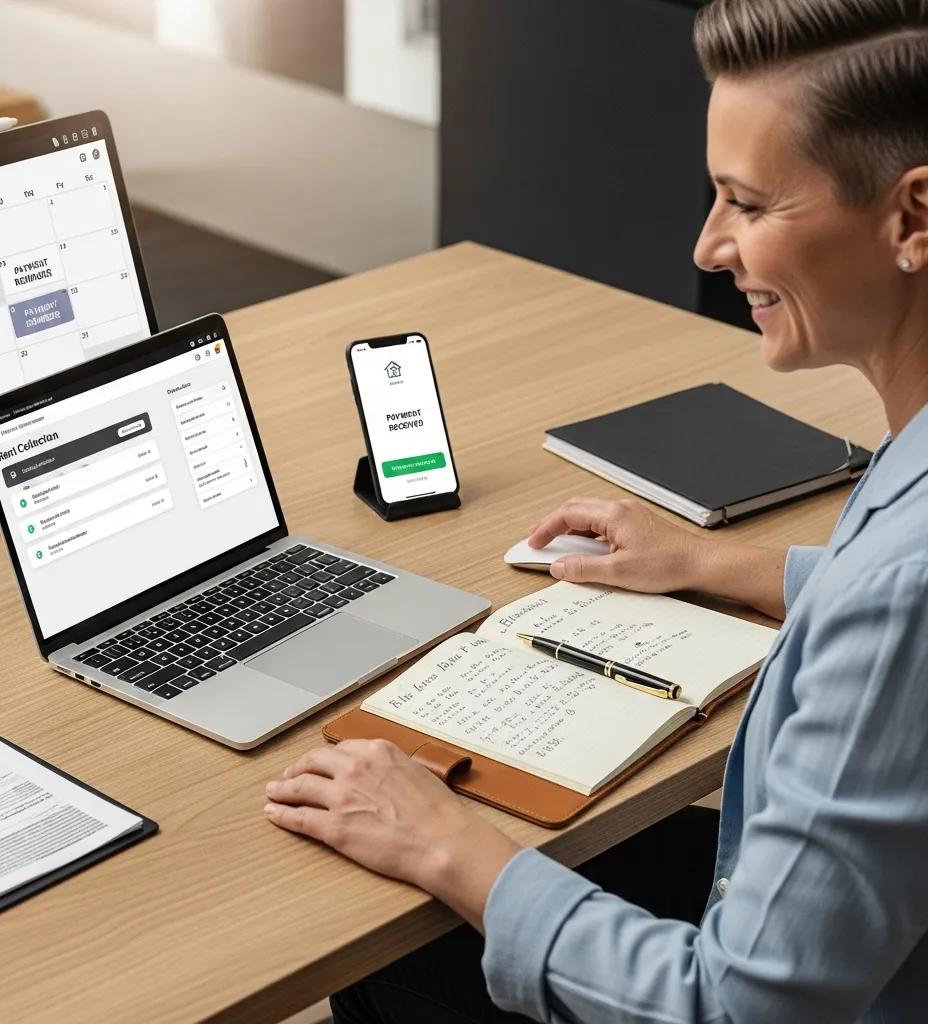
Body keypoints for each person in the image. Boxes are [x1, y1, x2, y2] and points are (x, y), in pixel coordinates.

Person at [264, 1, 928, 1019]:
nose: (709, 247)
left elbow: (738, 1008)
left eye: (747, 204)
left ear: (912, 220)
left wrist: (443, 837)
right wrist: (729, 567)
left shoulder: (901, 595)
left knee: (395, 947)